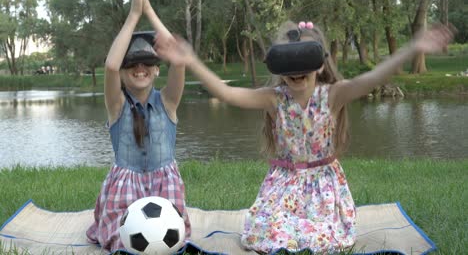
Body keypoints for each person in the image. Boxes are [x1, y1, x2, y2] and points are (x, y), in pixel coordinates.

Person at [156, 20, 453, 253]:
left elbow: (374, 77)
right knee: (262, 233)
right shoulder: (274, 99)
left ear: (320, 64)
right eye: (289, 64)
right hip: (282, 185)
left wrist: (414, 47)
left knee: (326, 237)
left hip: (323, 186)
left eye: (304, 61)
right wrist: (190, 60)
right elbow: (226, 93)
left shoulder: (335, 95)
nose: (296, 71)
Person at [86, 0, 190, 252]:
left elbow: (178, 61)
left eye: (147, 63)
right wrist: (133, 14)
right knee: (122, 243)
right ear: (123, 72)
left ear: (156, 69)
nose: (140, 68)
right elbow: (110, 66)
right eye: (132, 63)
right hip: (124, 189)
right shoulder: (116, 104)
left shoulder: (168, 101)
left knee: (172, 243)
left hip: (165, 187)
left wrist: (149, 10)